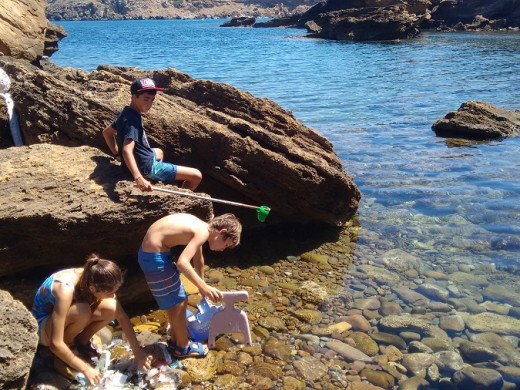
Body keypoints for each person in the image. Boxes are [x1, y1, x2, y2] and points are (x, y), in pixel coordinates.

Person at [32, 254, 152, 385]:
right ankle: (66, 350)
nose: (112, 295)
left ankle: (81, 342)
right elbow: (56, 343)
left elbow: (122, 317)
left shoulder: (93, 276)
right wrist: (86, 369)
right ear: (93, 288)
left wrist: (138, 352)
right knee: (83, 310)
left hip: (67, 317)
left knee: (112, 307)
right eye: (109, 292)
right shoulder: (65, 290)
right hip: (42, 329)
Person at [138, 213, 242, 358]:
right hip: (156, 259)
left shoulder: (201, 226)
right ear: (222, 233)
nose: (223, 249)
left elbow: (198, 260)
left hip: (151, 255)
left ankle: (175, 340)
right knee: (180, 301)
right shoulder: (202, 233)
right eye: (226, 245)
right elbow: (182, 263)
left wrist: (202, 286)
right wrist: (205, 288)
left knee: (175, 301)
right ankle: (183, 347)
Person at [102, 77, 202, 192]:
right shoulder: (132, 121)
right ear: (134, 96)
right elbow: (126, 150)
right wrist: (138, 178)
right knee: (196, 176)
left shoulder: (126, 113)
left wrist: (116, 155)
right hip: (146, 167)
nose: (149, 104)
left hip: (142, 158)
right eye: (146, 99)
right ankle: (179, 193)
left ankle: (157, 180)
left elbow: (106, 133)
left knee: (159, 152)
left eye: (152, 100)